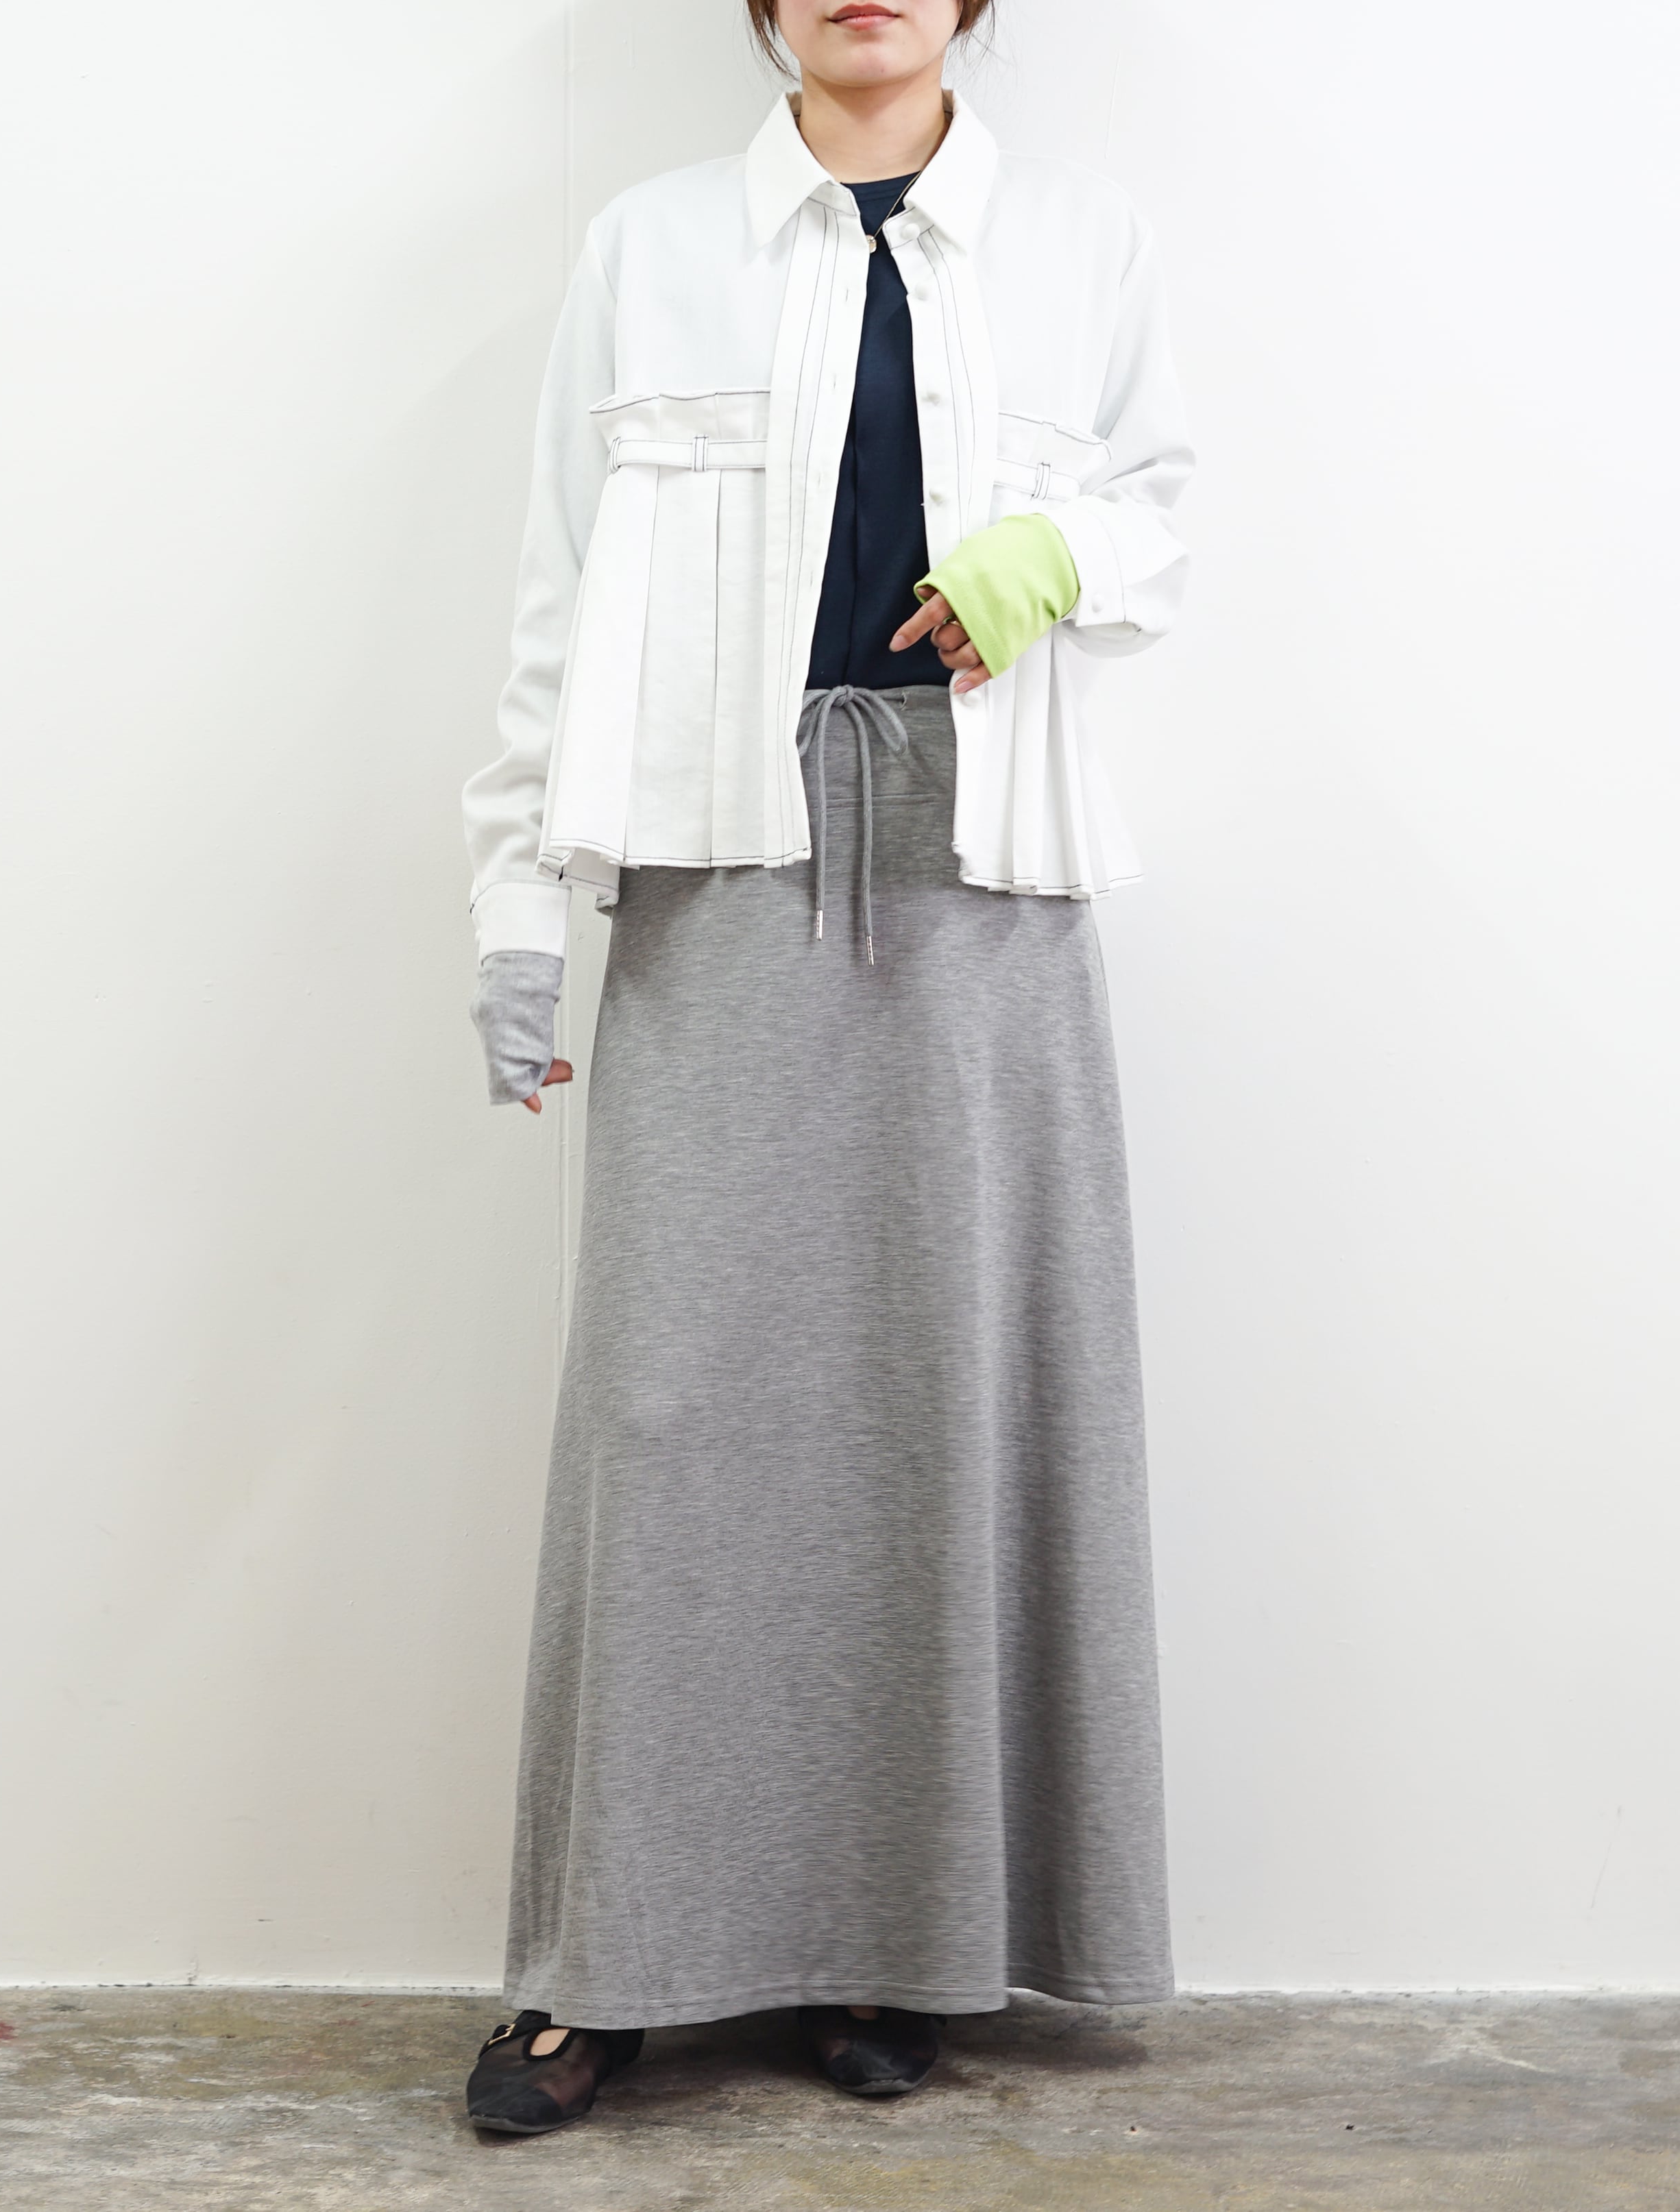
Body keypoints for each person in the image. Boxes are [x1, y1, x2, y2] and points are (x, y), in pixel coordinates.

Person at [457, 0, 1193, 2135]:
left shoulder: (1081, 244)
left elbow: (1165, 511)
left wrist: (1060, 555)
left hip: (982, 872)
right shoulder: (650, 243)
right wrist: (518, 901)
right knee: (669, 1412)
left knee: (935, 1403)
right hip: (716, 853)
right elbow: (557, 587)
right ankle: (602, 1961)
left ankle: (895, 1938)